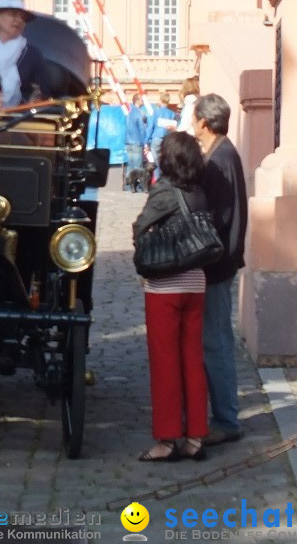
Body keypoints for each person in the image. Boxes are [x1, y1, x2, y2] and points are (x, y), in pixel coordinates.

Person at [132, 131, 210, 462]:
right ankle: (196, 435)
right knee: (192, 360)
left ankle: (166, 439)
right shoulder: (199, 193)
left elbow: (140, 228)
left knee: (165, 364)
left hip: (165, 286)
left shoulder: (163, 192)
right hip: (195, 282)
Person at [192, 93, 248, 446]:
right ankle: (223, 414)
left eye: (195, 118)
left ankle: (226, 419)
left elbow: (219, 217)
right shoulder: (220, 154)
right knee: (214, 341)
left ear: (204, 122)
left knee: (216, 343)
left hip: (216, 264)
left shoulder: (220, 159)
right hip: (220, 261)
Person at [124, 93, 149, 193]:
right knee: (138, 166)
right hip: (137, 141)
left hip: (127, 141)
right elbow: (142, 129)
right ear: (137, 101)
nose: (143, 101)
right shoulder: (139, 113)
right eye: (141, 100)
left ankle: (129, 185)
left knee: (130, 164)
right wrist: (145, 142)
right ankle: (139, 186)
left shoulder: (128, 112)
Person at [146, 91, 177, 165]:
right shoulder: (172, 113)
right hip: (167, 139)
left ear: (160, 100)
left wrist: (146, 141)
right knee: (165, 163)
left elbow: (150, 127)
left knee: (156, 163)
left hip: (156, 138)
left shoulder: (155, 112)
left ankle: (158, 176)